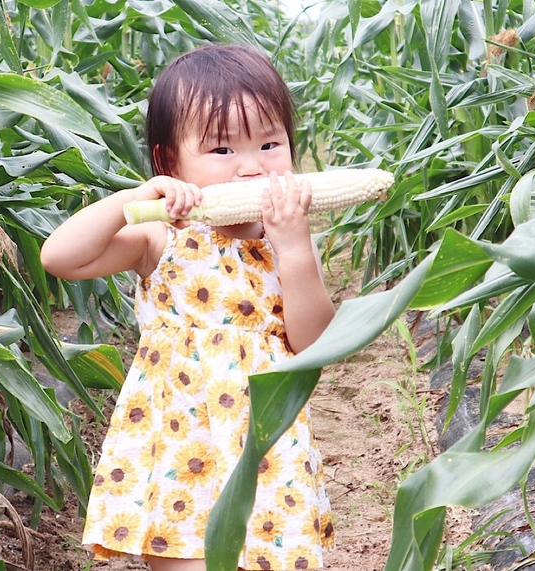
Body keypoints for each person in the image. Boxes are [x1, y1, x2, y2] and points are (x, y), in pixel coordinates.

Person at [40, 43, 336, 571]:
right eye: (222, 151)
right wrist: (136, 198)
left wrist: (293, 248)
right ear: (169, 161)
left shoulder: (287, 241)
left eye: (270, 143)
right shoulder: (160, 236)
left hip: (265, 443)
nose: (252, 168)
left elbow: (315, 342)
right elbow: (59, 256)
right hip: (181, 439)